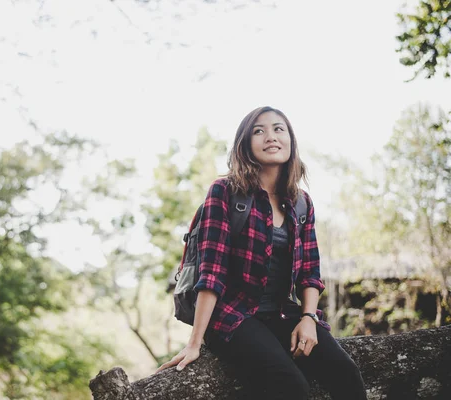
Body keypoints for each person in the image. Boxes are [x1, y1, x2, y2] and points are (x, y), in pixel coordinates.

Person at [156, 106, 367, 399]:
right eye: (259, 130)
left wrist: (308, 318)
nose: (271, 136)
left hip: (281, 312)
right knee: (291, 385)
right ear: (245, 144)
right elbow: (211, 273)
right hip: (231, 315)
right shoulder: (225, 192)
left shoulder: (301, 202)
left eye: (279, 129)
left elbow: (310, 273)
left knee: (346, 373)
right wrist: (195, 342)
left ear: (290, 141)